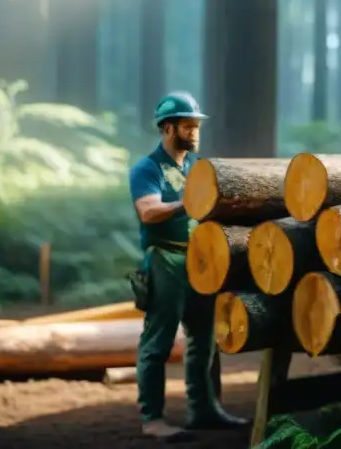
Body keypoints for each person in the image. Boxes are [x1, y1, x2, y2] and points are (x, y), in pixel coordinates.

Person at [129, 91, 249, 441]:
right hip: (164, 258)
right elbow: (148, 211)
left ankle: (203, 410)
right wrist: (186, 203)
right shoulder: (147, 168)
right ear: (167, 129)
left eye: (196, 126)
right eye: (187, 126)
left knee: (203, 340)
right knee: (158, 342)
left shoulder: (196, 168)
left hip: (200, 260)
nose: (195, 132)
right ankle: (152, 419)